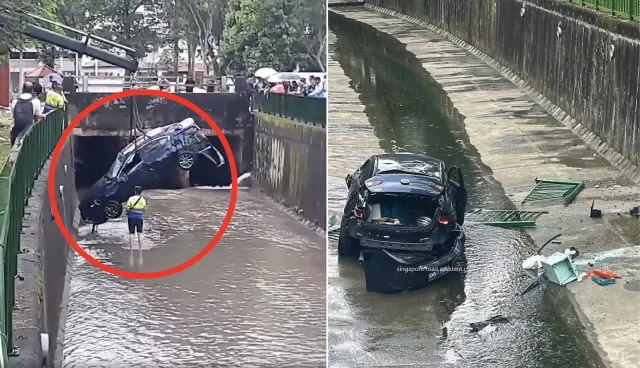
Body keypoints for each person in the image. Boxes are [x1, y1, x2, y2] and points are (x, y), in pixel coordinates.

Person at [125, 186, 147, 251]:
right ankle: (141, 248)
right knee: (140, 233)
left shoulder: (131, 198)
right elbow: (144, 209)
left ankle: (131, 248)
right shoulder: (143, 200)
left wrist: (129, 212)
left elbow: (127, 208)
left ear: (134, 191)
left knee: (131, 233)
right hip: (139, 218)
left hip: (131, 217)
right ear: (140, 192)